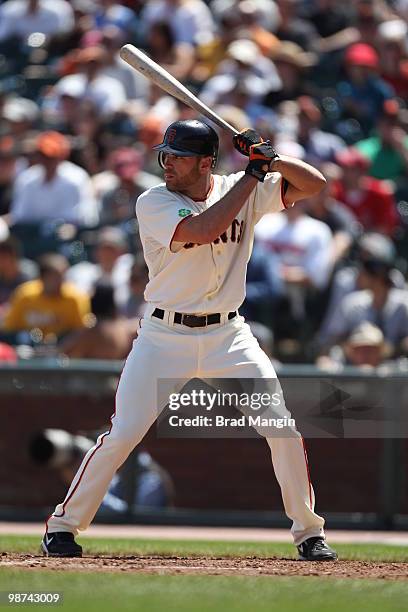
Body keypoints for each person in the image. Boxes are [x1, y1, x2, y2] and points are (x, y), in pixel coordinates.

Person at [41, 119, 337, 561]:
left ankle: (309, 532)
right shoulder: (154, 200)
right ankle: (62, 527)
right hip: (164, 334)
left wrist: (271, 157)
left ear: (205, 163)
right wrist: (255, 174)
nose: (168, 164)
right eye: (166, 155)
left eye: (178, 157)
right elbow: (204, 230)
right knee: (123, 433)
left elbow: (314, 184)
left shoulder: (240, 186)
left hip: (228, 334)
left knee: (282, 429)